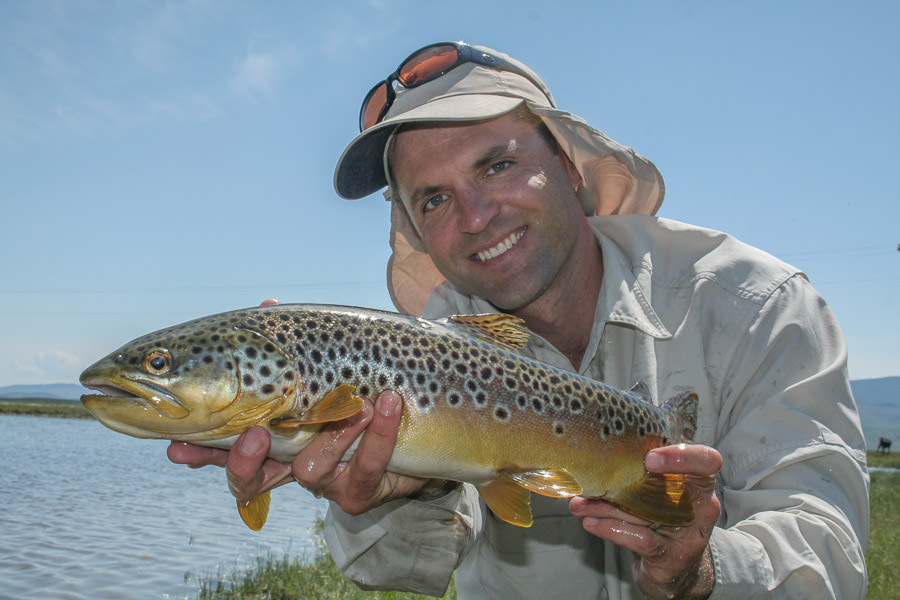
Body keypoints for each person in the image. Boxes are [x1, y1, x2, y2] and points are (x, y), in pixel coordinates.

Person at [168, 42, 869, 598]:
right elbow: (402, 569)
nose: (476, 217)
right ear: (414, 229)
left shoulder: (756, 306)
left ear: (568, 164)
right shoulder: (421, 352)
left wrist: (701, 570)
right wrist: (410, 484)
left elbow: (832, 555)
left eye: (498, 165)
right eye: (435, 200)